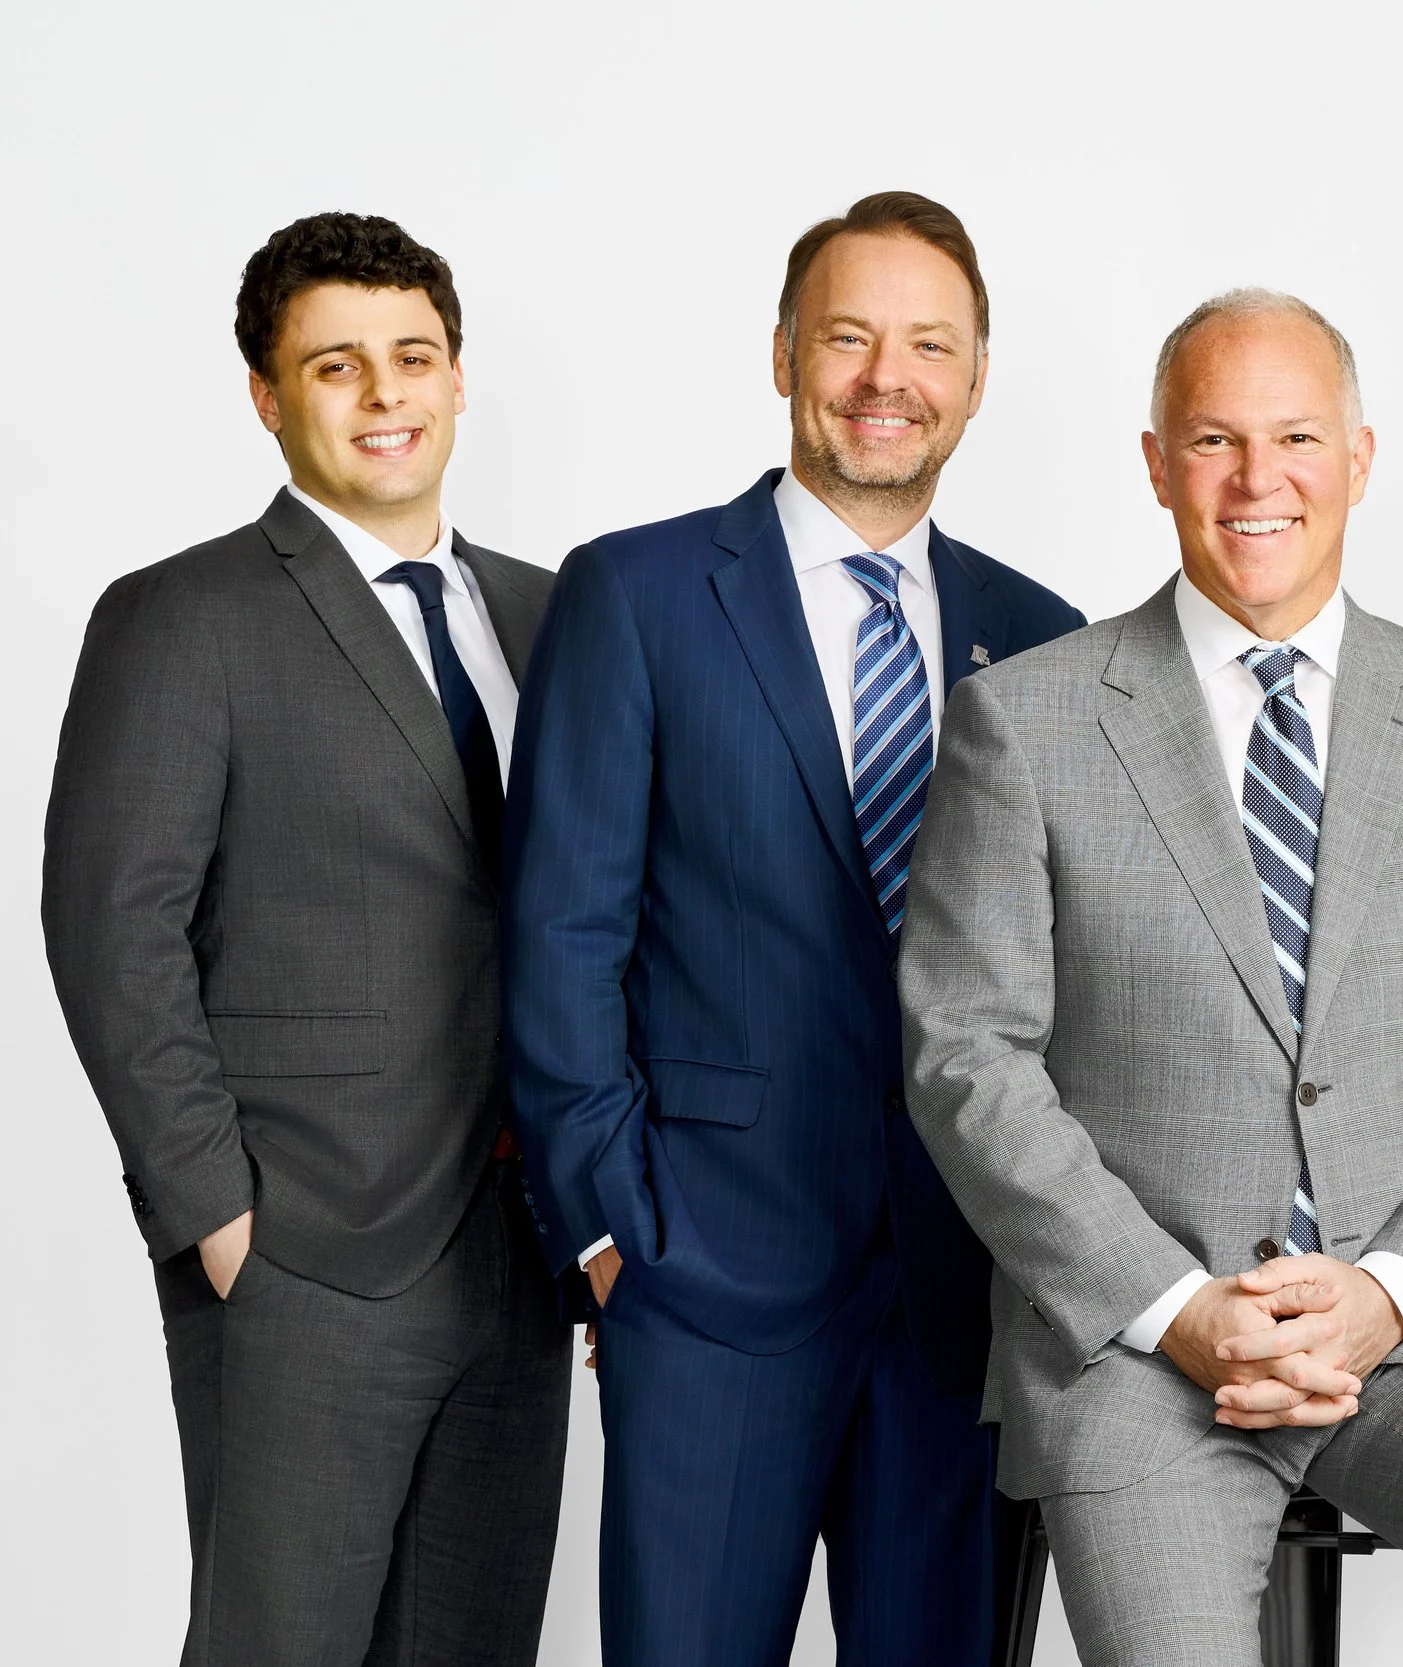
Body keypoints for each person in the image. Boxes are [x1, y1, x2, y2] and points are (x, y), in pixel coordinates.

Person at [899, 289, 1403, 1667]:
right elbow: (970, 1053)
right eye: (1214, 440)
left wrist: (1389, 1286)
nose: (1258, 480)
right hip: (1140, 1337)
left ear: (1360, 459)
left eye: (1297, 437)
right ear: (1156, 463)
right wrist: (1177, 1305)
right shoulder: (1024, 720)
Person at [502, 191, 1083, 1667]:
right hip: (704, 1274)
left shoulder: (1042, 635)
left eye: (929, 344)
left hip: (966, 1294)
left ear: (976, 378)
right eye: (849, 335)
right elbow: (562, 927)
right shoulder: (635, 593)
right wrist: (608, 1224)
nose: (888, 376)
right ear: (782, 355)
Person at [43, 212, 569, 1666]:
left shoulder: (551, 615)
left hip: (517, 1260)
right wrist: (220, 1216)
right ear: (269, 397)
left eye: (413, 357)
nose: (386, 393)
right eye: (337, 365)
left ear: (461, 379)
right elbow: (109, 923)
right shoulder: (182, 617)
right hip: (304, 1256)